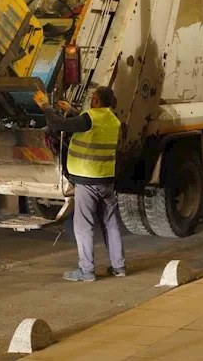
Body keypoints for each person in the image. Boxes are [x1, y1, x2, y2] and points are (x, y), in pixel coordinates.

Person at [33, 86, 125, 282]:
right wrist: (73, 111)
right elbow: (89, 124)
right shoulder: (113, 120)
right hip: (107, 180)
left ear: (97, 101)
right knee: (111, 224)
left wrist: (45, 106)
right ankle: (119, 267)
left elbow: (57, 124)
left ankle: (87, 271)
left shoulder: (88, 119)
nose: (91, 100)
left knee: (83, 226)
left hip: (87, 181)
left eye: (93, 97)